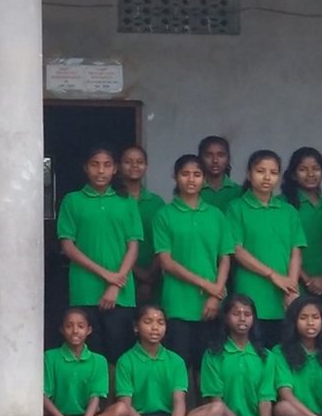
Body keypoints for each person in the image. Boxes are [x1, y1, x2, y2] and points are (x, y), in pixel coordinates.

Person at [57, 145, 144, 364]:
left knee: (119, 357)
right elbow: (68, 246)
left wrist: (115, 284)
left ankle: (116, 390)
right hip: (85, 292)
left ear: (115, 169)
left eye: (107, 165)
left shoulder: (126, 202)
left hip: (121, 295)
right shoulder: (73, 201)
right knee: (88, 356)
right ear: (86, 168)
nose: (101, 171)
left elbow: (133, 246)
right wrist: (107, 275)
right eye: (95, 165)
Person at [152, 153, 229, 382]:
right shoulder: (164, 215)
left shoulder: (216, 215)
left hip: (210, 304)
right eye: (185, 174)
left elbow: (225, 257)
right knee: (180, 368)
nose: (191, 179)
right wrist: (206, 284)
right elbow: (166, 261)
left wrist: (215, 294)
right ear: (175, 177)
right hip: (177, 303)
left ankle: (208, 407)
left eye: (197, 174)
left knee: (208, 370)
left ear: (204, 179)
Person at [228, 149, 304, 348]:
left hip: (283, 297)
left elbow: (296, 251)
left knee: (281, 353)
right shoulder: (237, 208)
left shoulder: (288, 211)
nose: (267, 177)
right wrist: (272, 275)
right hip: (251, 292)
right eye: (260, 171)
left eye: (273, 172)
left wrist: (291, 288)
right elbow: (237, 250)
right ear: (249, 174)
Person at [184, 295, 275, 416]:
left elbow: (265, 398)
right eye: (236, 314)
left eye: (247, 314)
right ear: (226, 318)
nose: (242, 319)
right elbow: (216, 401)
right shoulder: (213, 355)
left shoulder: (266, 356)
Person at [98, 305, 187, 416]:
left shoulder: (176, 361)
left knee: (210, 414)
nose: (155, 327)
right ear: (136, 327)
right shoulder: (126, 361)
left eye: (160, 323)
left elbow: (179, 402)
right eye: (148, 322)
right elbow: (126, 406)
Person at [42, 307, 108, 416]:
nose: (75, 331)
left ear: (89, 330)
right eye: (69, 326)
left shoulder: (99, 360)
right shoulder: (50, 357)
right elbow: (44, 396)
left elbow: (95, 397)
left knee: (120, 410)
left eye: (81, 326)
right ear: (61, 329)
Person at [116, 145, 166, 309]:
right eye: (128, 162)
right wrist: (137, 272)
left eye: (139, 162)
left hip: (153, 276)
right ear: (118, 166)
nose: (134, 166)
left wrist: (149, 279)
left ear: (146, 166)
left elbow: (163, 242)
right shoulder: (112, 201)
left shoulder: (157, 203)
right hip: (118, 275)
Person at [283, 147, 322, 298]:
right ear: (293, 174)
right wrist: (307, 279)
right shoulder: (282, 205)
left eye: (316, 169)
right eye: (303, 169)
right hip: (291, 284)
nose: (310, 174)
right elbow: (282, 247)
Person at [197, 136, 239, 212]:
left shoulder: (239, 191)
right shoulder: (194, 190)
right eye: (209, 155)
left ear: (228, 159)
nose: (215, 160)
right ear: (200, 159)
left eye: (220, 155)